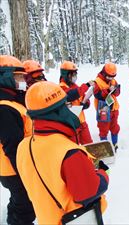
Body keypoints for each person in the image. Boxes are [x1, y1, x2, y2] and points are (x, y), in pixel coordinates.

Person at [17, 81, 109, 225]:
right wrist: (103, 174)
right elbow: (88, 192)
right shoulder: (69, 152)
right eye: (66, 106)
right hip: (77, 219)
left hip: (46, 219)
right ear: (57, 111)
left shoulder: (23, 146)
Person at [0, 55, 36, 225]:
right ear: (5, 77)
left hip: (16, 166)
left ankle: (13, 216)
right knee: (26, 207)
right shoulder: (4, 109)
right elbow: (13, 147)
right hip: (14, 169)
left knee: (19, 200)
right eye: (18, 77)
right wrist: (25, 173)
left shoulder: (12, 99)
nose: (23, 81)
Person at [59, 60, 94, 145]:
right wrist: (87, 85)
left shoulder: (75, 86)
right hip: (71, 125)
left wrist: (85, 104)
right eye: (73, 75)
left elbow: (84, 99)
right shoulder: (61, 88)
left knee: (89, 145)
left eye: (75, 74)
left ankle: (91, 158)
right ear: (66, 75)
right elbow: (71, 95)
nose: (75, 77)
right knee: (75, 147)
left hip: (82, 122)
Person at [93, 62, 120, 151]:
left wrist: (116, 90)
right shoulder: (97, 82)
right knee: (103, 128)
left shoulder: (113, 80)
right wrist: (108, 90)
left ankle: (115, 143)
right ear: (104, 73)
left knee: (114, 127)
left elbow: (118, 92)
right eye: (109, 76)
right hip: (103, 110)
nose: (111, 78)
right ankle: (104, 147)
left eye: (113, 77)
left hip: (114, 109)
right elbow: (97, 95)